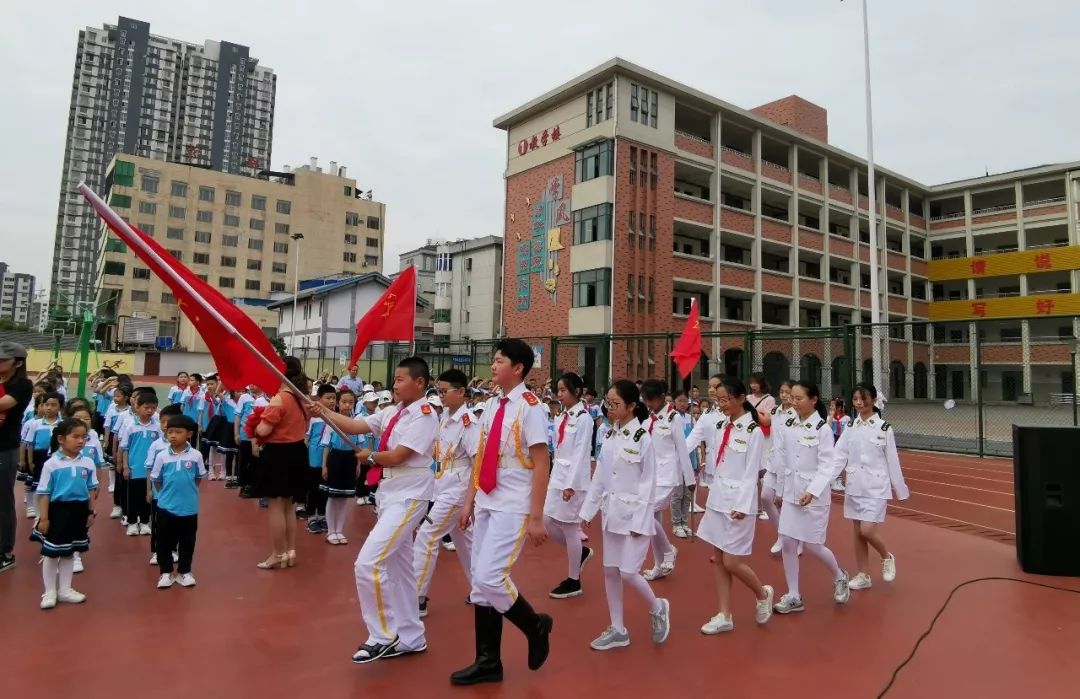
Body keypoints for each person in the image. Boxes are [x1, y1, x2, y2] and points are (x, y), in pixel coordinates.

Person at [314, 356, 438, 663]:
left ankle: (383, 633)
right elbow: (356, 425)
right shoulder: (392, 412)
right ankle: (411, 637)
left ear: (419, 383)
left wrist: (371, 458)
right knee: (401, 569)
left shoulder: (424, 415)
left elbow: (398, 455)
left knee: (368, 563)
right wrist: (323, 411)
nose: (394, 385)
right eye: (394, 380)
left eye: (399, 380)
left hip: (410, 494)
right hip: (390, 493)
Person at [450, 339, 553, 685]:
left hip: (515, 502)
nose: (493, 366)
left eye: (499, 360)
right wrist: (469, 502)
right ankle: (488, 661)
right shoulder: (493, 405)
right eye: (493, 360)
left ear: (518, 368)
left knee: (490, 577)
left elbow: (542, 463)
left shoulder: (531, 407)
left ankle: (535, 625)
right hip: (488, 499)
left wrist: (537, 516)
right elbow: (481, 456)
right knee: (480, 585)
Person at [580, 380, 670, 651]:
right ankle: (618, 629)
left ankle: (657, 608)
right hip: (612, 514)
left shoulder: (643, 438)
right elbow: (600, 477)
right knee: (610, 571)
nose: (609, 408)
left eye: (615, 403)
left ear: (631, 406)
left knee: (629, 572)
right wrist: (587, 510)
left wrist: (641, 522)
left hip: (634, 517)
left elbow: (648, 484)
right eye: (607, 402)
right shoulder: (609, 435)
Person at [695, 378, 774, 634]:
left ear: (741, 399)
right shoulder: (720, 426)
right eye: (719, 400)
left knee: (731, 561)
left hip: (739, 503)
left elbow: (752, 472)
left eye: (726, 399)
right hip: (718, 499)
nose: (722, 404)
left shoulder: (752, 433)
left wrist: (742, 504)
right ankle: (724, 614)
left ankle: (762, 594)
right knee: (718, 559)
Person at [771, 381, 851, 615]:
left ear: (813, 400)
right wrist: (779, 489)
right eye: (792, 398)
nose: (793, 402)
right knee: (787, 542)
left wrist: (813, 491)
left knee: (814, 546)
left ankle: (839, 576)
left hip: (813, 497)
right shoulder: (788, 423)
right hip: (791, 494)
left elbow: (827, 465)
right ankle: (794, 595)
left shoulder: (822, 429)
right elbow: (783, 458)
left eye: (798, 398)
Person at [414, 368, 479, 617]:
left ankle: (418, 597)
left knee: (427, 536)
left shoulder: (468, 423)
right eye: (438, 391)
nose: (440, 396)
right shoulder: (444, 419)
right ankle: (482, 588)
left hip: (457, 490)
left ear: (462, 392)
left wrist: (468, 503)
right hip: (443, 486)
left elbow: (477, 463)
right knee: (466, 542)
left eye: (444, 391)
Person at [836, 383, 909, 591]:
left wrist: (899, 489)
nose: (859, 403)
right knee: (858, 532)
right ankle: (863, 574)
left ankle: (886, 556)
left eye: (864, 399)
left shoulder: (884, 429)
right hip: (854, 485)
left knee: (867, 530)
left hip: (876, 487)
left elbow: (892, 461)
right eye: (856, 399)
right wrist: (825, 481)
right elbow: (838, 455)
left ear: (874, 400)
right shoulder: (850, 427)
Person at [251, 358, 311, 570]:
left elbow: (264, 431)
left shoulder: (279, 399)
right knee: (289, 506)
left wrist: (256, 426)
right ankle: (290, 551)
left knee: (276, 506)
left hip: (279, 455)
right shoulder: (302, 398)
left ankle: (277, 554)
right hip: (297, 452)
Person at [31, 417, 97, 608]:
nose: (80, 441)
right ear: (61, 439)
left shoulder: (87, 462)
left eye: (83, 437)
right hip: (58, 511)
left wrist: (90, 512)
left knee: (69, 551)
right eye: (75, 436)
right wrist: (44, 518)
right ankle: (49, 591)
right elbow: (44, 493)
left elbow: (91, 489)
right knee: (52, 553)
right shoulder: (52, 464)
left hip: (79, 510)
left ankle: (65, 589)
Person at [543, 372, 595, 600]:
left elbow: (582, 452)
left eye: (564, 390)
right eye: (558, 390)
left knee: (570, 527)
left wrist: (571, 484)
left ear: (577, 392)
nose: (559, 394)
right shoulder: (561, 416)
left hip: (573, 481)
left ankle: (574, 580)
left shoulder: (584, 418)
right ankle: (580, 552)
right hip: (558, 476)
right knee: (546, 520)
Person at [639, 379, 694, 581]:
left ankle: (669, 550)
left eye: (651, 400)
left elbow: (682, 448)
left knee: (647, 513)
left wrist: (689, 478)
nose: (648, 404)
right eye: (645, 400)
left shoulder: (673, 418)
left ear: (662, 397)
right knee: (654, 520)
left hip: (667, 475)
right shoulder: (648, 420)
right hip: (651, 475)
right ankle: (658, 565)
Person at [150, 415, 205, 589]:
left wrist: (187, 493)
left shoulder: (196, 456)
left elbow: (197, 478)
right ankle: (166, 572)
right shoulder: (162, 456)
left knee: (187, 541)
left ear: (189, 434)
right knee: (164, 541)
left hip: (189, 508)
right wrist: (166, 495)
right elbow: (157, 480)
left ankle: (184, 571)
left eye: (178, 432)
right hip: (166, 507)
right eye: (169, 432)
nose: (173, 435)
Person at [0, 341, 33, 573]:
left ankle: (5, 551)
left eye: (3, 360)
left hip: (5, 448)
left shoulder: (22, 385)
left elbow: (3, 404)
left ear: (17, 362)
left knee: (2, 501)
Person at [320, 389, 362, 545]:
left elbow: (359, 446)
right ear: (338, 403)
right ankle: (331, 531)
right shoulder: (331, 421)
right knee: (333, 496)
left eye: (351, 402)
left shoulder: (358, 423)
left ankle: (339, 530)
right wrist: (324, 466)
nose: (347, 405)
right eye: (344, 402)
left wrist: (358, 465)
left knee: (344, 498)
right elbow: (326, 446)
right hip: (335, 459)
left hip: (350, 460)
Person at [118, 391, 160, 536]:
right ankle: (131, 522)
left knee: (148, 496)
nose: (150, 411)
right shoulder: (131, 426)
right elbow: (125, 448)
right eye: (146, 407)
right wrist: (125, 466)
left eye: (153, 408)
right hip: (134, 468)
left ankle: (144, 521)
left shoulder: (157, 427)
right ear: (137, 407)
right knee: (133, 497)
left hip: (151, 470)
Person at [762, 381, 796, 555]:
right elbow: (764, 420)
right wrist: (748, 408)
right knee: (766, 497)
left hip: (790, 465)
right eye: (781, 392)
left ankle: (797, 542)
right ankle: (782, 536)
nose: (783, 395)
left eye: (787, 392)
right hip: (774, 462)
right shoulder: (775, 411)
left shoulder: (797, 414)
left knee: (788, 504)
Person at [22, 391, 64, 519]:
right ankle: (36, 511)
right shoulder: (36, 424)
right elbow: (30, 444)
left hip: (57, 457)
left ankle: (50, 511)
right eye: (46, 404)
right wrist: (30, 462)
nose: (49, 408)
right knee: (37, 484)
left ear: (60, 407)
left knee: (54, 484)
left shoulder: (62, 424)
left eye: (53, 405)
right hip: (39, 457)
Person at [303, 384, 336, 534]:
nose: (331, 401)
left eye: (334, 398)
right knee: (313, 488)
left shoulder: (335, 416)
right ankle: (311, 517)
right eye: (328, 398)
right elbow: (307, 438)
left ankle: (322, 516)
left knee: (324, 489)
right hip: (313, 458)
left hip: (328, 459)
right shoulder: (314, 418)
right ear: (319, 399)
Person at [669, 391, 698, 538]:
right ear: (674, 402)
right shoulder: (671, 418)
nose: (683, 403)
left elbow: (697, 440)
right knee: (677, 494)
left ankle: (684, 522)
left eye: (685, 401)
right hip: (675, 461)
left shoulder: (691, 419)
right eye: (679, 400)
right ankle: (676, 524)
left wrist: (696, 462)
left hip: (689, 460)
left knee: (688, 494)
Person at [235, 386, 268, 499]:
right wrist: (236, 433)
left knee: (257, 462)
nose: (253, 385)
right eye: (251, 383)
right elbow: (238, 416)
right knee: (245, 462)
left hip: (262, 437)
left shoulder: (268, 399)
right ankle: (245, 486)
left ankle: (256, 486)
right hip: (246, 435)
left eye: (256, 383)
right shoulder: (244, 397)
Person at [828, 397, 848, 493]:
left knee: (842, 461)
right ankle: (833, 480)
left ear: (839, 408)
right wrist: (831, 417)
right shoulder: (829, 418)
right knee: (833, 460)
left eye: (833, 405)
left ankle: (839, 480)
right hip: (833, 440)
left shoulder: (846, 418)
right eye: (830, 405)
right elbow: (827, 428)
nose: (831, 407)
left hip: (842, 440)